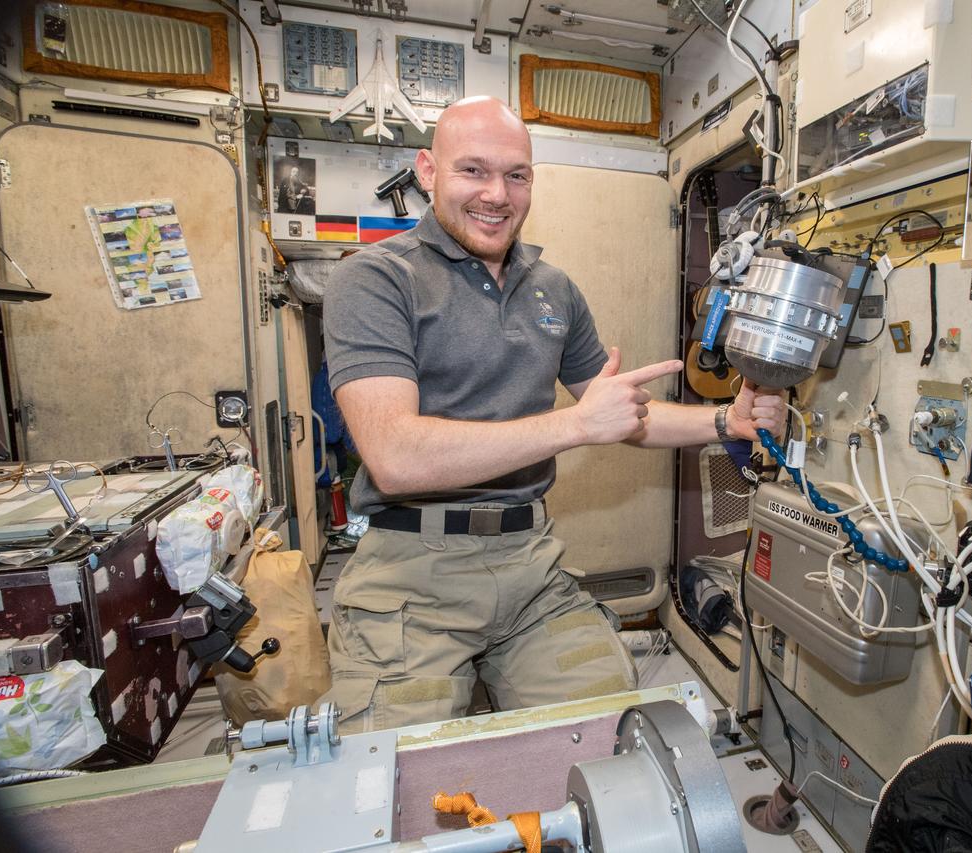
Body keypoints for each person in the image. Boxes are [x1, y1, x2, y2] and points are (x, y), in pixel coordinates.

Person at [322, 96, 783, 731]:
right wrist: (573, 425)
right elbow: (394, 457)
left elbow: (618, 414)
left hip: (529, 564)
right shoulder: (376, 279)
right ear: (427, 171)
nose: (497, 193)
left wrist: (725, 423)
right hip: (410, 572)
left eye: (516, 174)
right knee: (398, 788)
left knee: (608, 739)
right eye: (473, 171)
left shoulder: (553, 289)